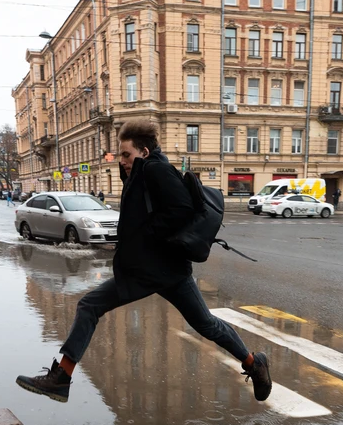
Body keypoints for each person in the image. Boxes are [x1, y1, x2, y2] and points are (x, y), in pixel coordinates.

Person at [16, 120, 272, 404]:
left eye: (126, 154)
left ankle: (62, 378)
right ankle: (254, 363)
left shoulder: (156, 170)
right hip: (163, 268)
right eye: (121, 155)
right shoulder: (142, 171)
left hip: (152, 268)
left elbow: (181, 210)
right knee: (206, 324)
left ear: (144, 151)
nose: (121, 160)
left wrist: (146, 235)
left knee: (90, 306)